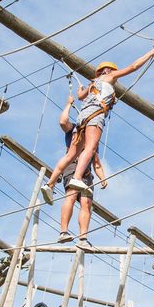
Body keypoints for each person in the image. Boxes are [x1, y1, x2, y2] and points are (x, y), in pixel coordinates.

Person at [41, 46, 154, 204]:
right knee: (90, 147)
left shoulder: (92, 84)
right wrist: (151, 53)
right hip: (95, 116)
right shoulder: (109, 77)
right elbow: (133, 66)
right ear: (109, 70)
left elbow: (80, 96)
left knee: (71, 155)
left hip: (82, 117)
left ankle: (50, 184)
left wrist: (81, 90)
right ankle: (77, 177)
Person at [54, 94, 107, 249]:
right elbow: (63, 121)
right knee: (70, 196)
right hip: (73, 167)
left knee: (86, 203)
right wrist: (69, 104)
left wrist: (103, 178)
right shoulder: (74, 130)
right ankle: (63, 231)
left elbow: (96, 162)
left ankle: (83, 238)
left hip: (87, 174)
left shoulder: (93, 138)